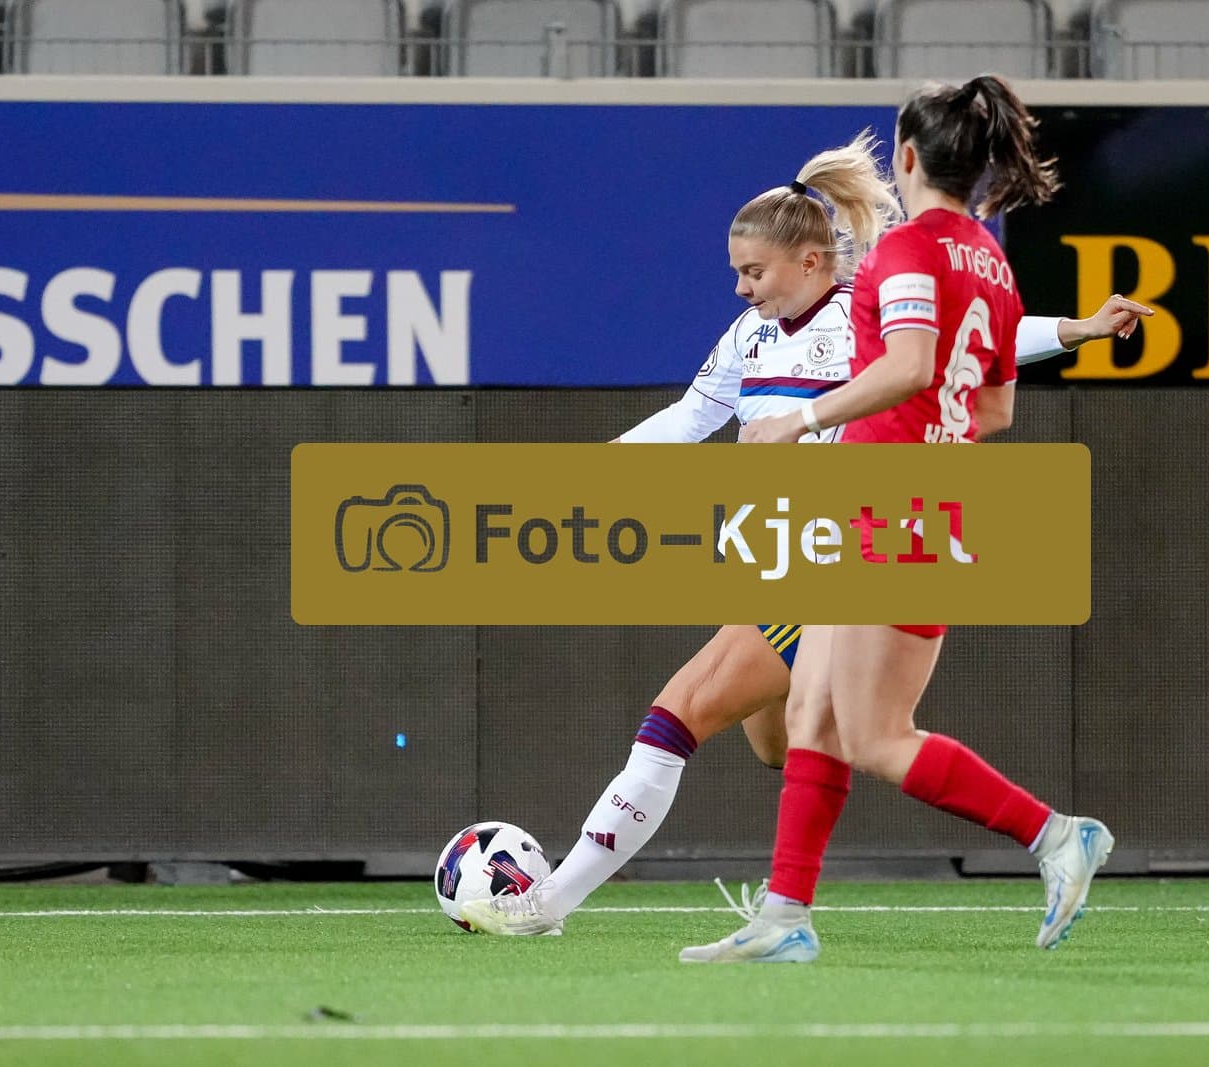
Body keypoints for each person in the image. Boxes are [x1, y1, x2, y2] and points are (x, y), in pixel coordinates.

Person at [462, 126, 1148, 939]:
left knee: (675, 715)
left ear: (813, 263)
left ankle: (550, 906)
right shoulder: (748, 338)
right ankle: (813, 899)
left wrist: (1078, 328)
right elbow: (690, 418)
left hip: (836, 546)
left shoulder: (860, 318)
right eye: (737, 274)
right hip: (780, 558)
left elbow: (969, 344)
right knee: (788, 743)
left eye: (754, 272)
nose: (744, 289)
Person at [679, 75, 1112, 964]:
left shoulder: (906, 250)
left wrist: (800, 419)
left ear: (908, 157)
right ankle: (785, 916)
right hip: (909, 503)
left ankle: (1057, 834)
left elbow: (912, 366)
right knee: (810, 713)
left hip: (893, 508)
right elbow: (992, 411)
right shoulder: (989, 260)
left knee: (874, 734)